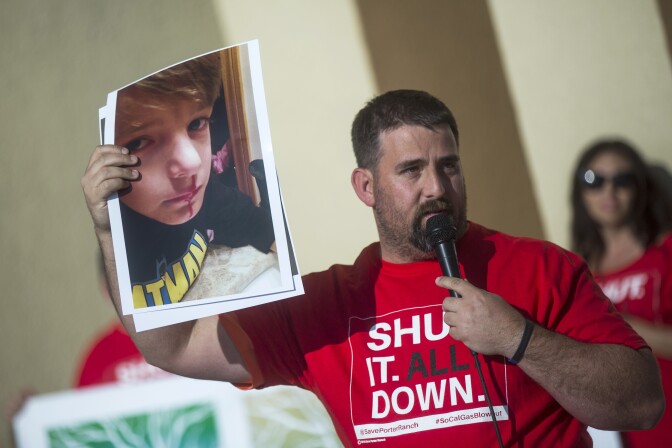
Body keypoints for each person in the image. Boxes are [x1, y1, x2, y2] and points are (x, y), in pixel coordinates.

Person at [82, 89, 664, 447]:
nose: (437, 188)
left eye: (450, 167)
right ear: (366, 186)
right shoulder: (327, 305)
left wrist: (518, 338)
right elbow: (175, 346)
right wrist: (113, 233)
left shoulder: (540, 268)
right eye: (411, 170)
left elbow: (641, 403)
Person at [112, 52, 276, 309]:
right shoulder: (116, 240)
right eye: (138, 142)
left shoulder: (207, 193)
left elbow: (257, 226)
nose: (193, 164)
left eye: (197, 123)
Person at [570, 139, 672, 447]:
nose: (608, 192)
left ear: (640, 186)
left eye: (622, 180)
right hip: (617, 433)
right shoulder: (575, 268)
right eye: (594, 180)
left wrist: (622, 326)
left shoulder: (666, 251)